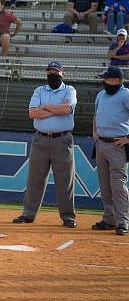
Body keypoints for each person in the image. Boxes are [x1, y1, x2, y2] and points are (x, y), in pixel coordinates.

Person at [13, 62, 77, 228]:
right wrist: (56, 108)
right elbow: (33, 113)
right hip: (40, 139)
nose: (51, 75)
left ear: (62, 73)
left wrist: (46, 107)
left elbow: (67, 110)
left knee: (65, 179)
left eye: (55, 72)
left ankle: (68, 217)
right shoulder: (39, 90)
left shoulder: (69, 90)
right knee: (35, 178)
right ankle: (28, 214)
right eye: (49, 72)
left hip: (62, 140)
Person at [92, 66, 129, 236]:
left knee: (118, 185)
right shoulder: (101, 95)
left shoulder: (126, 94)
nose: (103, 81)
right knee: (105, 185)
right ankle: (109, 219)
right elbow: (96, 115)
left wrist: (128, 138)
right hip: (101, 143)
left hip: (117, 145)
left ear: (116, 80)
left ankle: (122, 221)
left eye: (106, 78)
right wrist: (95, 132)